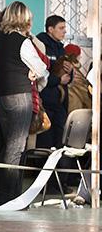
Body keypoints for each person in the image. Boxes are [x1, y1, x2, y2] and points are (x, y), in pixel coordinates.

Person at [0, 1, 49, 208]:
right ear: (25, 19)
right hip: (19, 97)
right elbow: (42, 68)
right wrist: (34, 74)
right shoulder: (23, 41)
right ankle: (11, 198)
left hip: (0, 98)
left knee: (3, 146)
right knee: (16, 148)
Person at [36, 15, 72, 149]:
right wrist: (57, 80)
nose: (64, 31)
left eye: (65, 28)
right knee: (44, 143)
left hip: (59, 103)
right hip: (45, 102)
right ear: (50, 29)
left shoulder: (61, 48)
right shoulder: (40, 45)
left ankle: (59, 169)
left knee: (61, 142)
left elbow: (66, 76)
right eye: (61, 28)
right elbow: (40, 73)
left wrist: (70, 71)